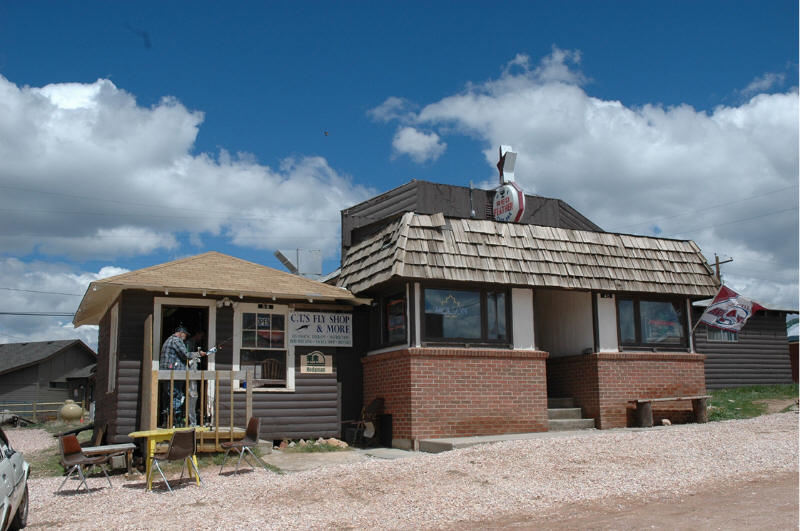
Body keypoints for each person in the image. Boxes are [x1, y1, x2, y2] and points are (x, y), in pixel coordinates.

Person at [159, 325, 205, 426]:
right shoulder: (176, 340)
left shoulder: (168, 340)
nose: (184, 338)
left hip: (166, 374)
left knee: (168, 397)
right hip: (175, 373)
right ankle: (176, 422)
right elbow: (185, 355)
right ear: (181, 334)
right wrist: (198, 354)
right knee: (176, 396)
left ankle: (166, 422)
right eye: (184, 336)